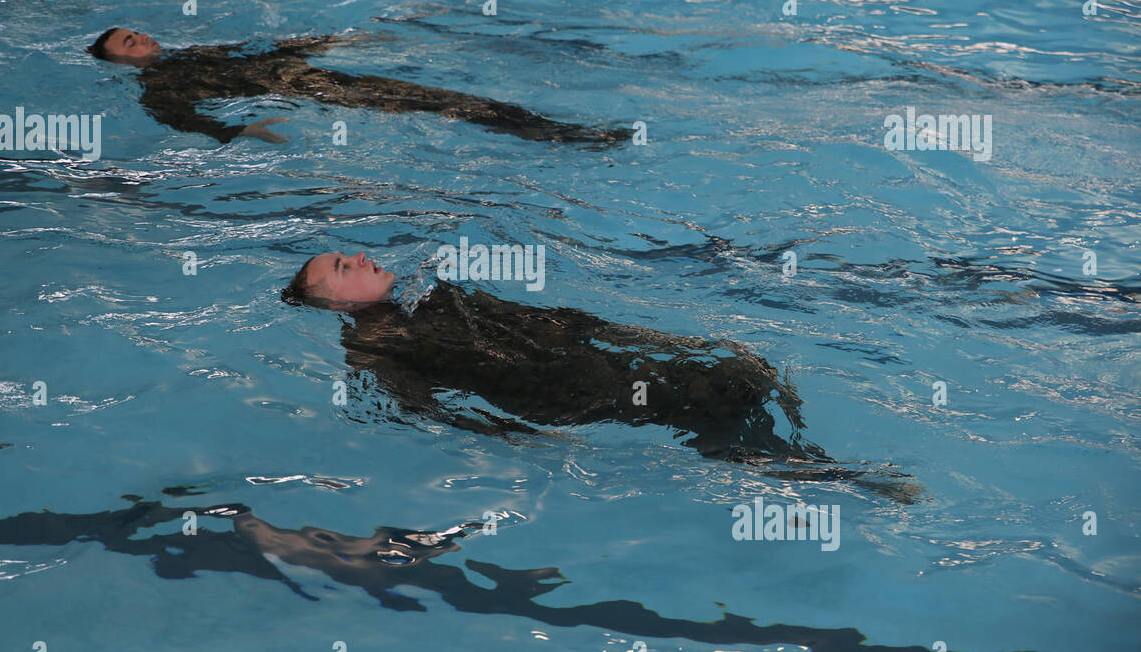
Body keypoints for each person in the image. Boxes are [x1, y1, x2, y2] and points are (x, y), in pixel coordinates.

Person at [283, 251, 922, 503]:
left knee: (733, 370)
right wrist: (520, 439)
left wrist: (660, 338)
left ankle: (812, 467)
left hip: (591, 350)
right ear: (336, 301)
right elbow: (430, 414)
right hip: (564, 392)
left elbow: (549, 318)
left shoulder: (427, 293)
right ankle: (842, 480)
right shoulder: (374, 351)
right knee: (709, 404)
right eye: (343, 266)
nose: (361, 257)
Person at [86, 27, 631, 145]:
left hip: (327, 79)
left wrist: (333, 40)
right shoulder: (159, 89)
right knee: (461, 107)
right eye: (130, 44)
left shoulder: (202, 51)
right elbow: (181, 121)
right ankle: (566, 138)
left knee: (461, 105)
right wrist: (243, 129)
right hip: (326, 95)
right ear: (117, 65)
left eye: (138, 33)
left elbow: (269, 50)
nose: (144, 40)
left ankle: (558, 134)